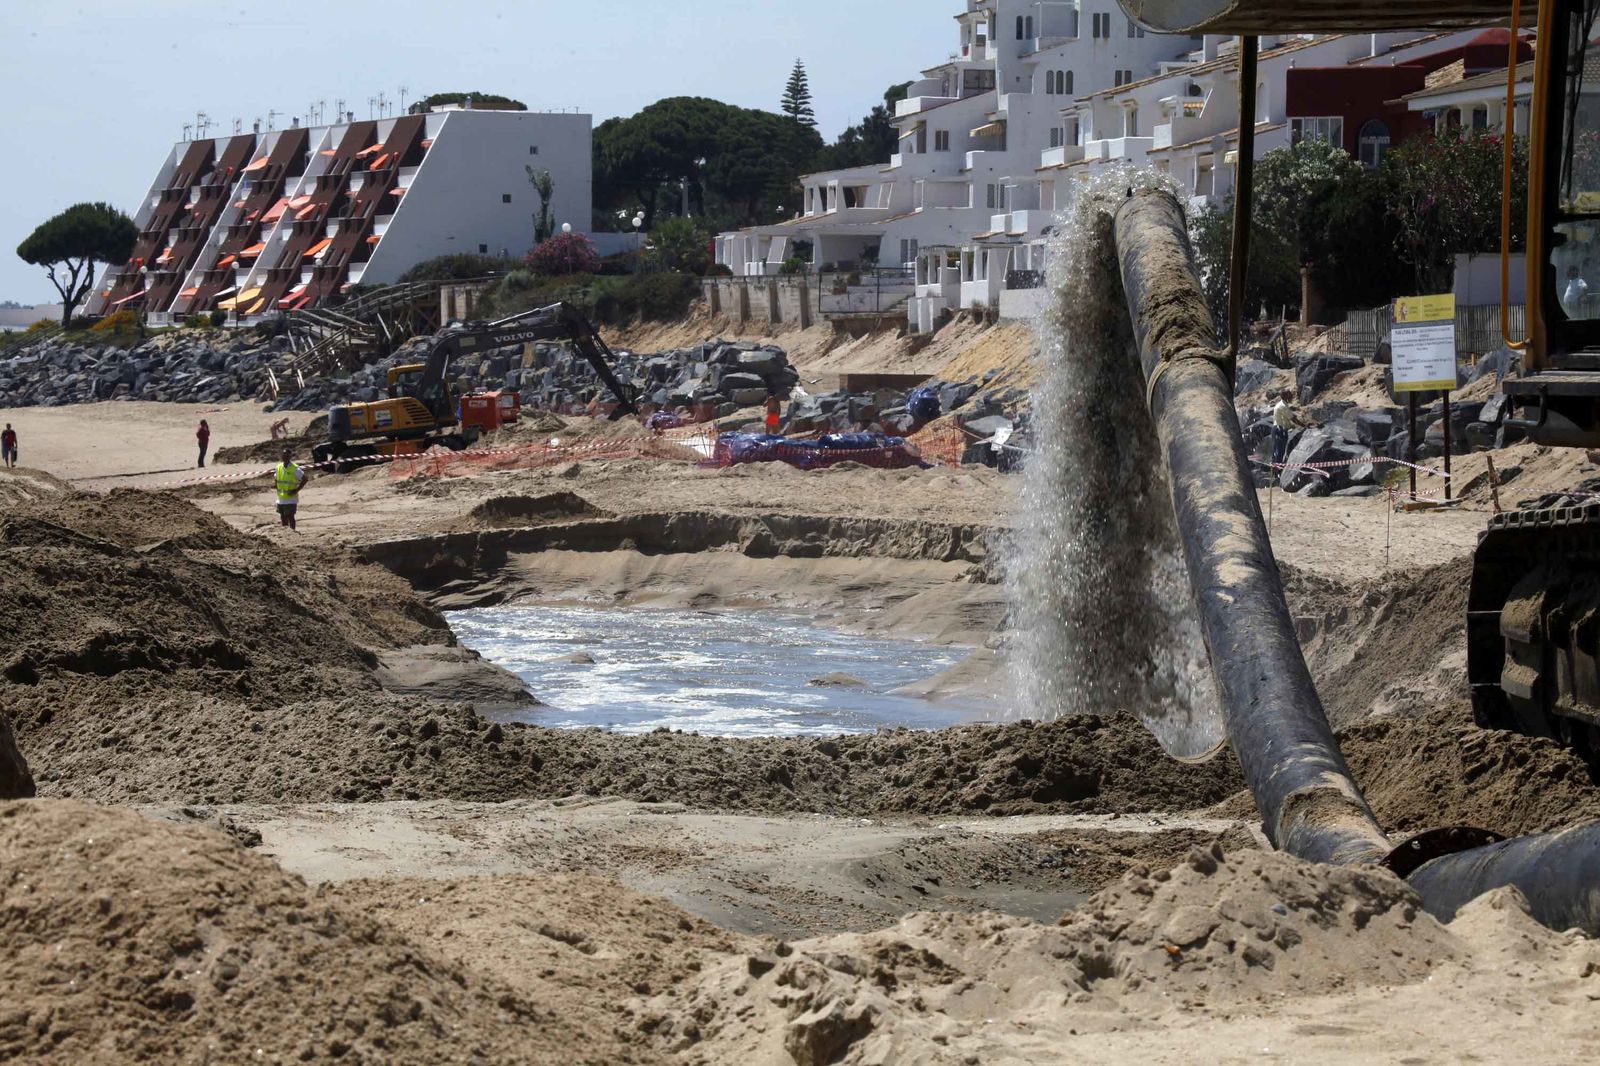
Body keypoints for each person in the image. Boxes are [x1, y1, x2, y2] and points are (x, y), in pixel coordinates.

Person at [273, 448, 307, 531]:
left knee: (290, 516)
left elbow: (305, 479)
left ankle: (293, 532)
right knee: (283, 516)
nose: (285, 456)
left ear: (290, 456)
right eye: (283, 455)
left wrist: (296, 490)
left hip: (291, 498)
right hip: (281, 498)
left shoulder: (295, 469)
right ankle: (285, 533)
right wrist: (276, 487)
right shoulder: (279, 467)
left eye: (287, 455)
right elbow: (276, 478)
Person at [1271, 393, 1294, 465]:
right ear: (1285, 396)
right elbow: (1293, 418)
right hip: (1280, 430)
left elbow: (1284, 418)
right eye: (1290, 395)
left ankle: (1274, 469)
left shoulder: (1279, 404)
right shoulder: (1283, 406)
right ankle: (1277, 469)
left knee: (1276, 450)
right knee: (1280, 451)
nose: (1292, 397)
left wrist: (1290, 425)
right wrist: (1304, 425)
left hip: (1276, 429)